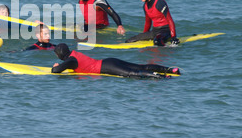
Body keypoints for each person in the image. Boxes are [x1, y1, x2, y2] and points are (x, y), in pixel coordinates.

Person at [51, 43, 180, 79]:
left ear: (60, 55)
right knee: (140, 67)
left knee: (131, 73)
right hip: (109, 61)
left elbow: (57, 70)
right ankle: (169, 69)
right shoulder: (74, 54)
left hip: (105, 67)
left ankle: (161, 76)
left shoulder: (71, 60)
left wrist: (55, 67)